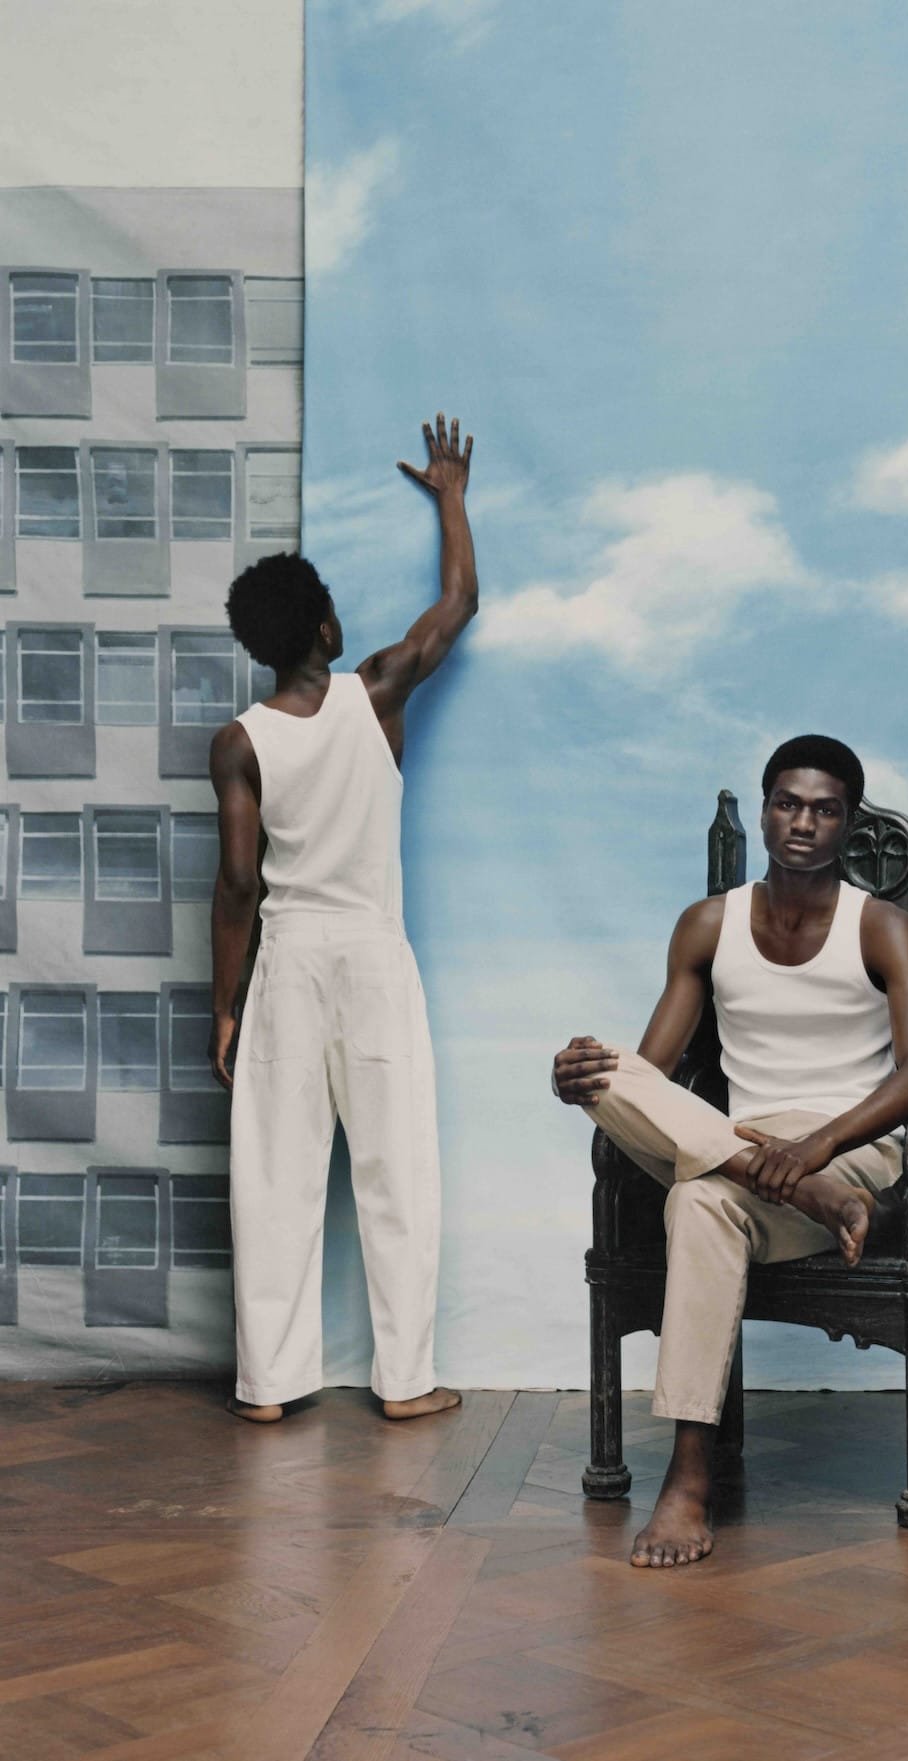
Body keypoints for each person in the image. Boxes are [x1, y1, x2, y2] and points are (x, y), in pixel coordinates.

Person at [552, 736, 908, 1566]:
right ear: (765, 811)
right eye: (787, 804)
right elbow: (651, 1074)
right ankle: (808, 1204)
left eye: (824, 810)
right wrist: (590, 1079)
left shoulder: (883, 927)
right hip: (739, 1144)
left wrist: (818, 1147)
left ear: (847, 824)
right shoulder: (707, 923)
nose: (802, 822)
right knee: (607, 1073)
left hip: (847, 1149)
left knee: (696, 1194)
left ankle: (687, 1481)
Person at [209, 413, 477, 1423]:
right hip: (372, 957)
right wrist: (451, 497)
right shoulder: (380, 691)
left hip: (286, 965)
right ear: (326, 629)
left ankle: (270, 1387)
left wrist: (225, 1004)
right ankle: (404, 1382)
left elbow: (239, 886)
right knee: (397, 1168)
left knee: (275, 1179)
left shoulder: (238, 743)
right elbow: (458, 603)